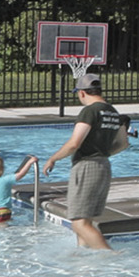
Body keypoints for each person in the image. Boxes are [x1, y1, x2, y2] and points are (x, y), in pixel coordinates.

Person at [39, 80, 124, 249]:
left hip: (86, 166)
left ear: (82, 92)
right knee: (86, 221)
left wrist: (53, 158)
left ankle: (112, 257)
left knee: (78, 223)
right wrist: (102, 153)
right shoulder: (113, 112)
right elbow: (122, 144)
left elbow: (74, 143)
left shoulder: (89, 111)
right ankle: (82, 258)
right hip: (103, 165)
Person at [0, 152, 36, 225]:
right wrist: (29, 162)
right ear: (2, 168)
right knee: (4, 228)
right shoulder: (6, 180)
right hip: (3, 211)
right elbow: (21, 174)